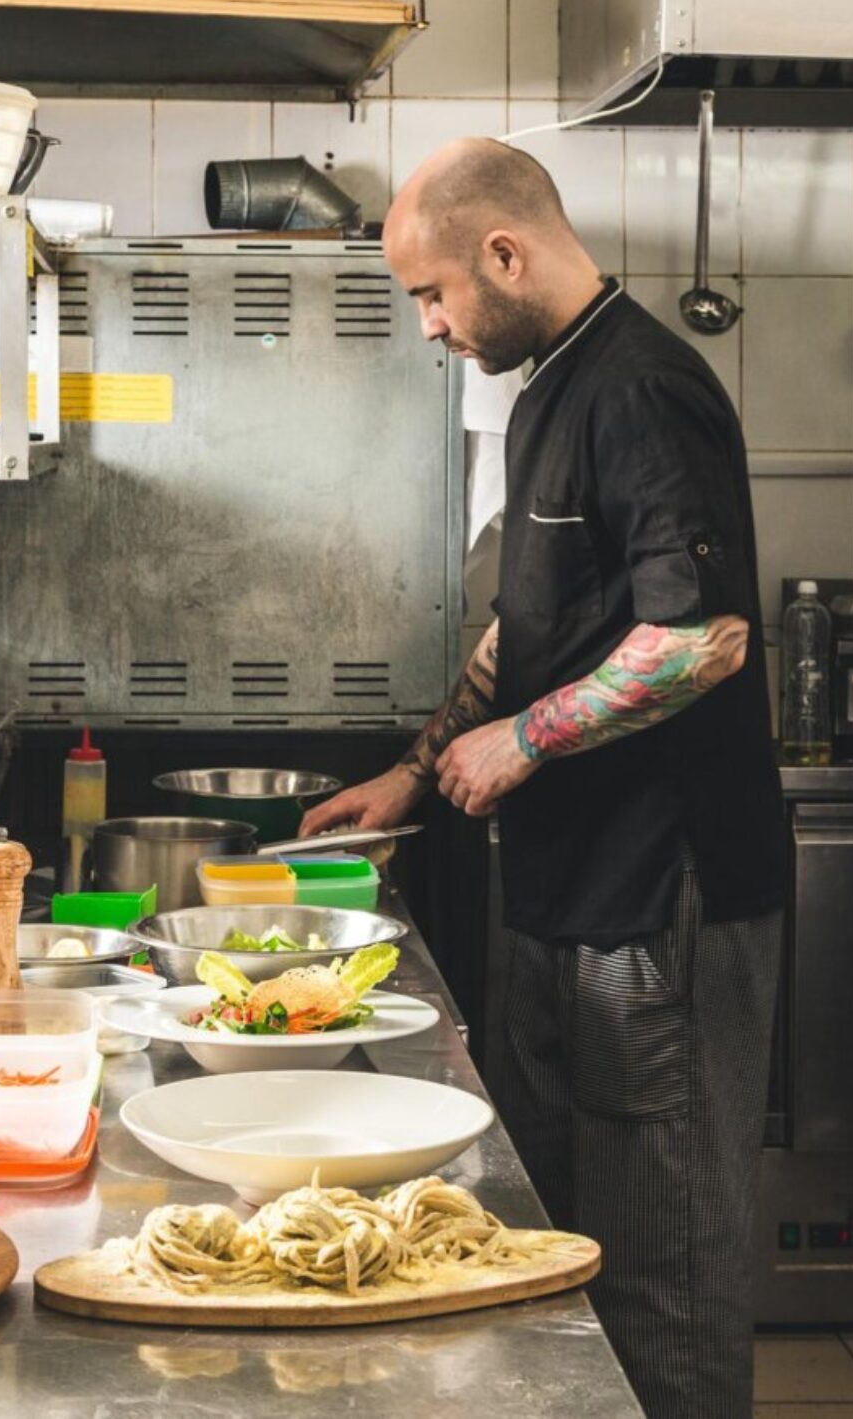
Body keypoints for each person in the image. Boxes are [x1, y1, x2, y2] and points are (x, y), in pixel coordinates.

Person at [300, 137, 790, 1419]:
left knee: (657, 1263)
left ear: (503, 254)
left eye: (434, 293)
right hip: (572, 886)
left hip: (658, 896)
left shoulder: (640, 388)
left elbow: (703, 637)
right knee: (562, 1242)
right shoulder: (549, 395)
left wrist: (517, 743)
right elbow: (532, 629)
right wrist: (413, 771)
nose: (427, 325)